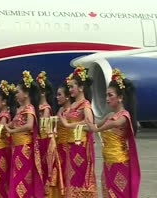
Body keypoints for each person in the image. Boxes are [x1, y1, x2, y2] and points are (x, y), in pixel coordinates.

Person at [85, 68, 141, 198]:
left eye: (110, 95)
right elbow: (94, 125)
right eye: (106, 95)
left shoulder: (125, 116)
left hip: (119, 163)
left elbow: (114, 124)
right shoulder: (110, 115)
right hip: (108, 163)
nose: (107, 99)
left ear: (120, 98)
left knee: (118, 194)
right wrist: (75, 125)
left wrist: (97, 129)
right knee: (108, 194)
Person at [58, 65, 98, 197]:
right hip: (70, 146)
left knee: (79, 178)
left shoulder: (85, 104)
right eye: (69, 87)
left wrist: (68, 125)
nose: (70, 90)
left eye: (72, 86)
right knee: (71, 177)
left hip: (80, 146)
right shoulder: (73, 105)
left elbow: (89, 124)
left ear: (81, 88)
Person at [5, 71, 45, 198]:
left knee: (23, 178)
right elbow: (11, 124)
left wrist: (12, 131)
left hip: (25, 149)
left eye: (18, 92)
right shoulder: (19, 109)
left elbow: (29, 126)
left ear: (26, 93)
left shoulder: (30, 108)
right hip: (17, 148)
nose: (16, 95)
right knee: (17, 177)